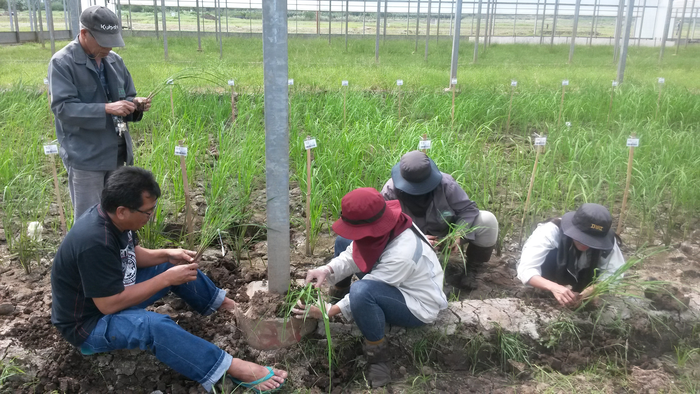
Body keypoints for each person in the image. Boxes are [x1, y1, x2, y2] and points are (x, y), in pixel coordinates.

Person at [50, 167, 286, 393]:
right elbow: (108, 305)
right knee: (154, 326)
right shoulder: (94, 242)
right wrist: (165, 279)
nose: (150, 217)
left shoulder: (114, 219)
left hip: (111, 295)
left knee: (171, 266)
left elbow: (131, 255)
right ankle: (230, 367)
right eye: (147, 212)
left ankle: (225, 307)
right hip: (89, 324)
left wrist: (166, 254)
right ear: (122, 210)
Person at [292, 187, 448, 388]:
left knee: (361, 293)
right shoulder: (387, 228)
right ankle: (338, 296)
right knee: (343, 242)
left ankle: (378, 358)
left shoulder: (403, 253)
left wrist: (328, 312)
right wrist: (326, 269)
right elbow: (352, 253)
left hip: (416, 302)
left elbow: (372, 284)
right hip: (394, 281)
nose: (357, 236)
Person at [332, 150, 499, 295]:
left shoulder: (446, 184)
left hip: (445, 237)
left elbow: (468, 210)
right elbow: (383, 227)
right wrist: (417, 239)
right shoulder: (390, 191)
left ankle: (473, 269)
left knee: (487, 220)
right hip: (409, 244)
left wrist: (458, 234)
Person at [48, 5, 152, 219]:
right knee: (89, 217)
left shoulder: (114, 61)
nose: (109, 48)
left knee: (117, 215)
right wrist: (106, 108)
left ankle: (116, 252)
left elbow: (128, 95)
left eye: (113, 42)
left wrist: (135, 103)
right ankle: (90, 253)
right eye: (104, 41)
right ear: (84, 34)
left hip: (116, 153)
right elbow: (63, 108)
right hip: (86, 156)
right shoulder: (62, 62)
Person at [516, 203, 625, 308]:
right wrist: (554, 287)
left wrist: (596, 288)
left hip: (581, 286)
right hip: (547, 285)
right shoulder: (550, 231)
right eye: (582, 238)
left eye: (592, 241)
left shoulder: (608, 240)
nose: (586, 243)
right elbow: (526, 269)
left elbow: (615, 272)